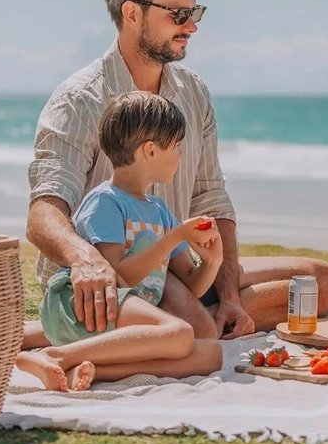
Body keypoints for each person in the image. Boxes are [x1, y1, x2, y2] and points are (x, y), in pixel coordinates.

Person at [24, 0, 328, 347]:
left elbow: (212, 198)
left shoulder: (193, 92)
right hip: (108, 281)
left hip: (175, 267)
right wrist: (86, 260)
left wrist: (229, 296)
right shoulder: (79, 99)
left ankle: (183, 327)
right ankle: (137, 330)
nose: (191, 26)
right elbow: (44, 211)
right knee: (273, 302)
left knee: (322, 283)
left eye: (195, 13)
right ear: (132, 13)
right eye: (178, 14)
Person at [17, 91, 224, 391]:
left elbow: (191, 286)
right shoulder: (106, 202)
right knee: (179, 334)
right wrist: (175, 237)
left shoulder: (160, 210)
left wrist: (212, 260)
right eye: (177, 146)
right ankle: (56, 355)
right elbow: (117, 276)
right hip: (86, 304)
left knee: (210, 353)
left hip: (123, 312)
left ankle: (89, 369)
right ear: (150, 151)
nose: (181, 154)